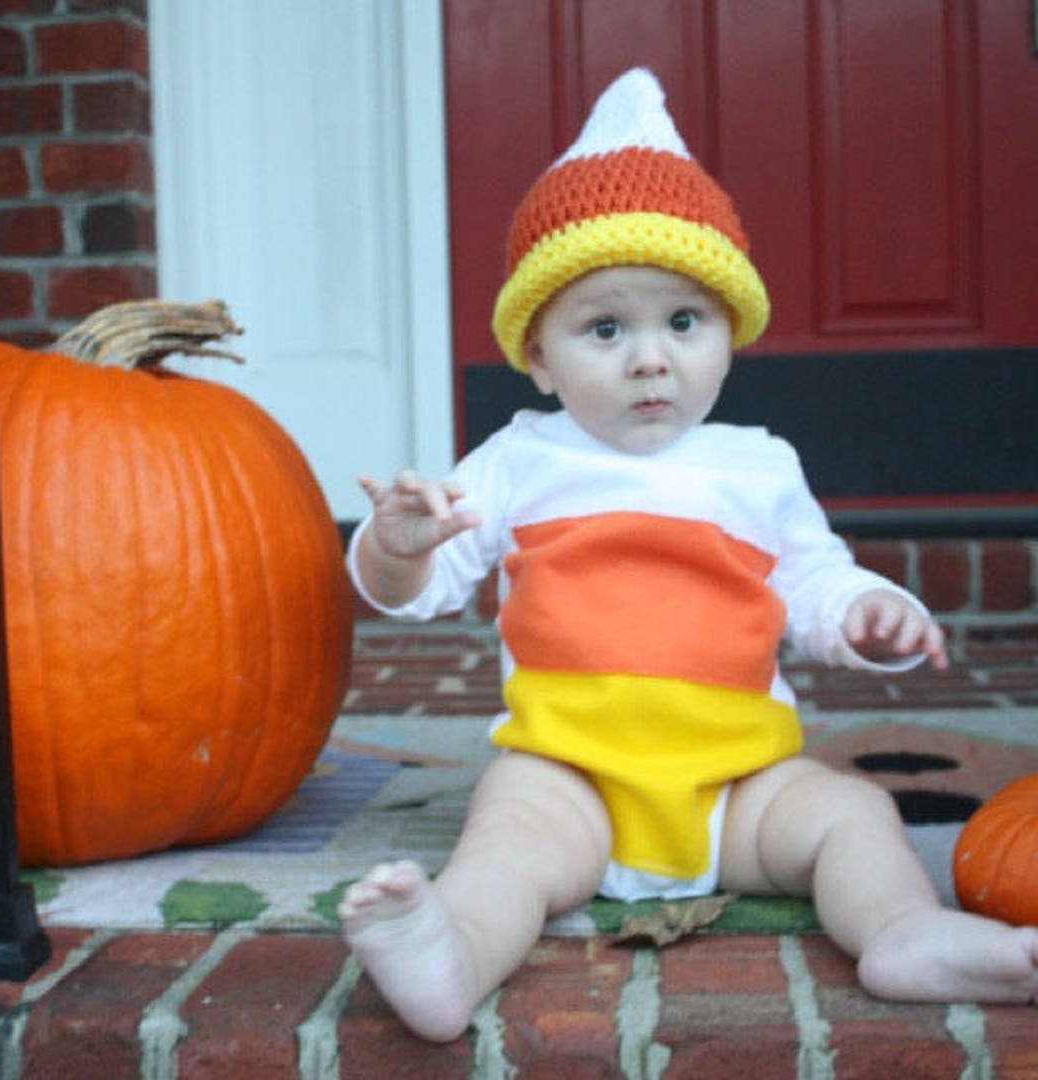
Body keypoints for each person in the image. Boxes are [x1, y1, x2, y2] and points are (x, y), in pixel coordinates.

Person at [338, 68, 1038, 1042]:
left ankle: (904, 932)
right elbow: (414, 594)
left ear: (727, 333)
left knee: (849, 816)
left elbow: (812, 576)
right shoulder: (518, 462)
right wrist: (397, 547)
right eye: (606, 327)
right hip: (573, 776)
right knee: (503, 838)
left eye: (683, 321)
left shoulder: (756, 467)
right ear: (538, 353)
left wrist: (864, 612)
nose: (650, 358)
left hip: (739, 786)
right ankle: (451, 953)